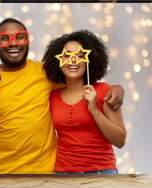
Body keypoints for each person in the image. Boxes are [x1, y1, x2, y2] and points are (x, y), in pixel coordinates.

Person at [0, 18, 124, 174]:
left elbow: (76, 80)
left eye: (20, 37)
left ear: (28, 42)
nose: (13, 43)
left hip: (46, 173)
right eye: (4, 38)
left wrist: (118, 89)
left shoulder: (45, 74)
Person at [42, 30, 126, 174]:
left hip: (101, 172)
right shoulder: (52, 96)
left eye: (79, 56)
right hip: (63, 173)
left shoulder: (104, 91)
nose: (73, 61)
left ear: (88, 61)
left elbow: (120, 141)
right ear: (58, 62)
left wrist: (94, 109)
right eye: (67, 56)